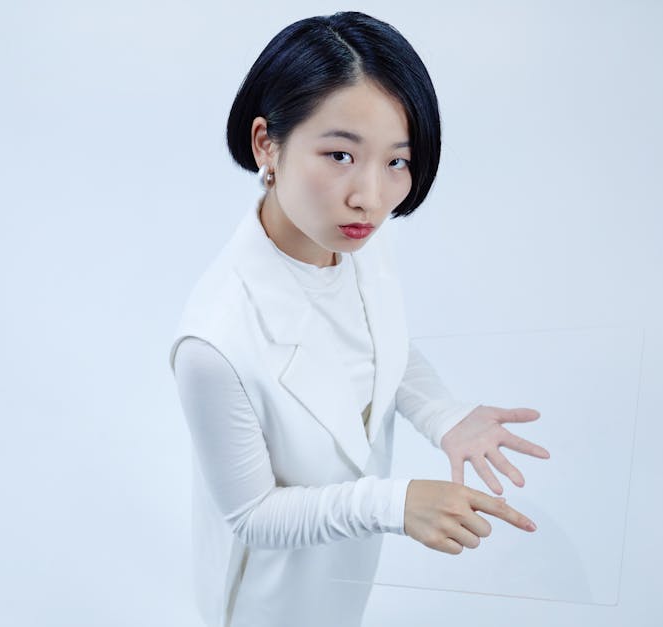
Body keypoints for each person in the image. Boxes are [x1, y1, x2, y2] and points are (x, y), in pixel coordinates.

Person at [167, 11, 551, 627]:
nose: (370, 198)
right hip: (269, 598)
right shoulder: (213, 342)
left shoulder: (355, 238)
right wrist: (396, 504)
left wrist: (444, 416)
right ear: (267, 144)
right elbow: (253, 515)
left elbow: (378, 347)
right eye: (340, 154)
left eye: (396, 161)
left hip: (344, 574)